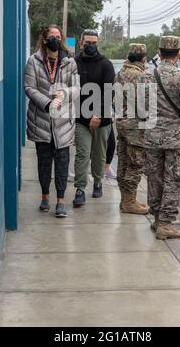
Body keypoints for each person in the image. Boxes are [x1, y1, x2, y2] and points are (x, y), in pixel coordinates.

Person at [142, 36, 180, 239]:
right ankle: (165, 223)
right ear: (179, 53)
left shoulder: (146, 76)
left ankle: (157, 219)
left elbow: (140, 109)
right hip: (176, 139)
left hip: (151, 136)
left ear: (159, 52)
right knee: (174, 179)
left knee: (154, 177)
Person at [24, 25, 79, 217]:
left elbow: (76, 88)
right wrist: (47, 103)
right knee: (44, 163)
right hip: (41, 120)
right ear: (44, 39)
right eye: (52, 36)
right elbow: (29, 88)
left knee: (63, 163)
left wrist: (64, 93)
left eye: (58, 36)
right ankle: (45, 196)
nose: (55, 39)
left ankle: (61, 201)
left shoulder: (70, 62)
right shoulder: (34, 61)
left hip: (63, 122)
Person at [73, 29, 115, 207]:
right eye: (88, 42)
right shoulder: (73, 63)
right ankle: (80, 189)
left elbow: (108, 92)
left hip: (102, 118)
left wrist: (98, 115)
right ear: (81, 43)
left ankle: (97, 182)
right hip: (81, 119)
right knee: (82, 153)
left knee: (99, 154)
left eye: (94, 43)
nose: (91, 45)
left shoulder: (106, 64)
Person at [114, 43, 148, 215]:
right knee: (136, 164)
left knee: (123, 162)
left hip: (121, 124)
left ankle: (126, 199)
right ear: (143, 58)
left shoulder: (120, 73)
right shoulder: (141, 76)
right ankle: (129, 202)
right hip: (135, 126)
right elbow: (145, 104)